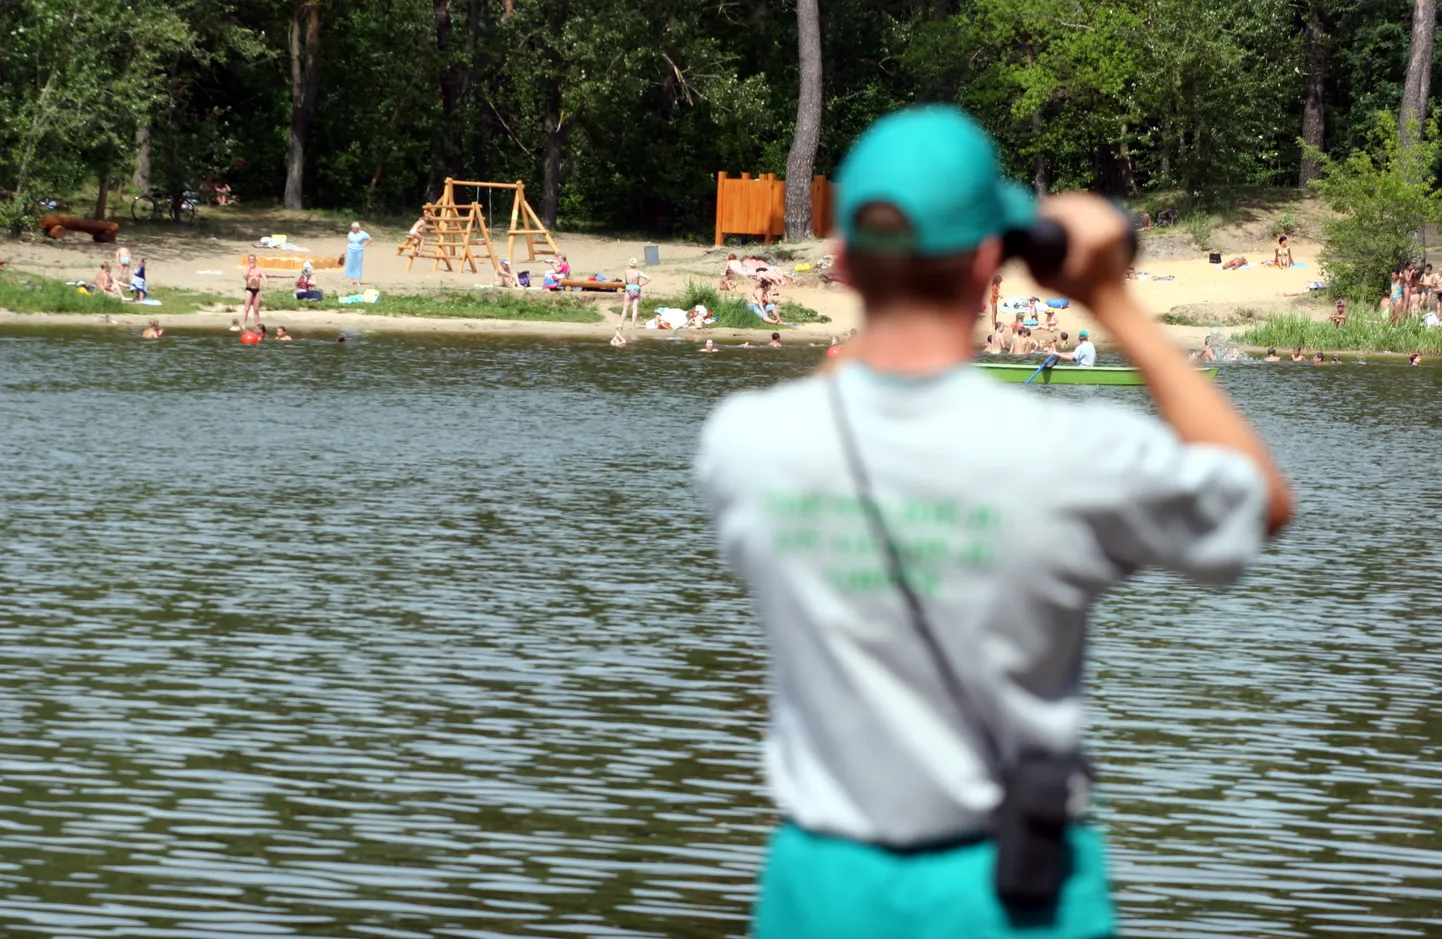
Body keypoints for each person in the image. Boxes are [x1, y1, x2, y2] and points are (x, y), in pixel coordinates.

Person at [695, 104, 1292, 939]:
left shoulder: (744, 447)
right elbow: (1261, 501)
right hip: (1010, 891)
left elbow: (850, 401)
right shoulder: (1073, 455)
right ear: (990, 262)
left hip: (818, 893)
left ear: (841, 266)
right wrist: (1108, 298)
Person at [621, 258, 650, 329]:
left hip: (629, 289)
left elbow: (625, 281)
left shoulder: (626, 272)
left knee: (625, 307)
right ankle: (633, 324)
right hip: (636, 289)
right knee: (635, 307)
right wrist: (641, 285)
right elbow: (648, 278)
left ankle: (621, 324)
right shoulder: (638, 272)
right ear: (636, 264)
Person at [242, 255, 268, 328]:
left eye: (253, 259)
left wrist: (266, 283)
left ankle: (257, 325)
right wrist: (249, 269)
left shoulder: (259, 269)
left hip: (257, 290)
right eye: (250, 259)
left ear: (255, 260)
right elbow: (245, 277)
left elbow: (264, 276)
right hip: (249, 289)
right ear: (248, 260)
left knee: (256, 309)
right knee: (246, 309)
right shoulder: (246, 269)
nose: (251, 261)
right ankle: (243, 324)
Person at [345, 221, 372, 289]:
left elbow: (370, 239)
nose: (353, 229)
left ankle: (357, 280)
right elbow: (348, 242)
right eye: (352, 228)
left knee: (358, 265)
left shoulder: (362, 234)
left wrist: (364, 246)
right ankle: (351, 280)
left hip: (359, 250)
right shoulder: (350, 233)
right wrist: (345, 251)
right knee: (351, 265)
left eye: (354, 228)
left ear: (357, 228)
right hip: (350, 250)